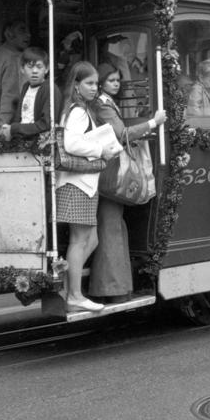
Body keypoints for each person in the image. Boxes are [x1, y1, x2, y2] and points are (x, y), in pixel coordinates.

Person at [89, 63, 166, 303]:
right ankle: (112, 288)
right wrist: (153, 123)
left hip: (106, 170)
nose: (116, 83)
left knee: (113, 225)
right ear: (101, 83)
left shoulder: (105, 102)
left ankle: (116, 287)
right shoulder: (103, 104)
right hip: (110, 173)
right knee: (110, 226)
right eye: (111, 80)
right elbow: (122, 134)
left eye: (117, 79)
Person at [57, 62, 123, 312]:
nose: (95, 88)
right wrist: (101, 150)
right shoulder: (78, 111)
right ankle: (74, 294)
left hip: (83, 184)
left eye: (96, 83)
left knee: (91, 239)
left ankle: (67, 284)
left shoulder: (77, 108)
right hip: (78, 184)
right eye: (89, 83)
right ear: (76, 85)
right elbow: (72, 144)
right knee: (79, 240)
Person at [0, 47, 62, 140]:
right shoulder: (26, 86)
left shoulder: (50, 89)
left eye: (39, 67)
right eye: (30, 67)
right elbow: (19, 116)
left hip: (40, 142)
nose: (35, 71)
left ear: (47, 69)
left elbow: (47, 124)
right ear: (22, 69)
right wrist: (10, 128)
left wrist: (15, 128)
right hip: (22, 139)